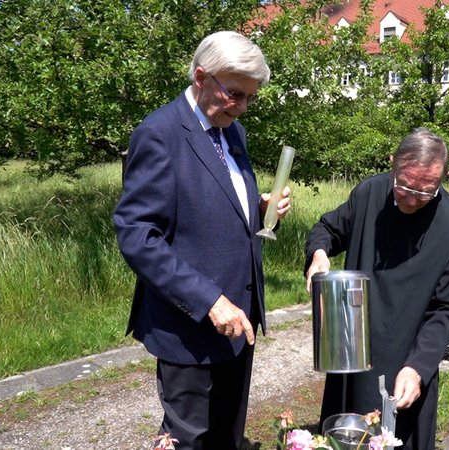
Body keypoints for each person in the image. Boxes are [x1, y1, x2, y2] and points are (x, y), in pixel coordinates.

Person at [113, 31, 291, 450]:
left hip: (239, 319)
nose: (242, 107)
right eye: (235, 94)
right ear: (200, 77)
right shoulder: (159, 133)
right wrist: (209, 300)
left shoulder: (233, 131)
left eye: (250, 98)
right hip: (190, 324)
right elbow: (138, 234)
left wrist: (260, 209)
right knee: (189, 439)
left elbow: (217, 203)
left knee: (228, 434)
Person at [304, 128, 449, 450]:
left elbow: (448, 308)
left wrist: (418, 367)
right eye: (405, 186)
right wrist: (319, 254)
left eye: (426, 192)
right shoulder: (370, 193)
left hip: (407, 359)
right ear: (393, 163)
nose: (413, 199)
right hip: (353, 351)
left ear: (443, 178)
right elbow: (327, 229)